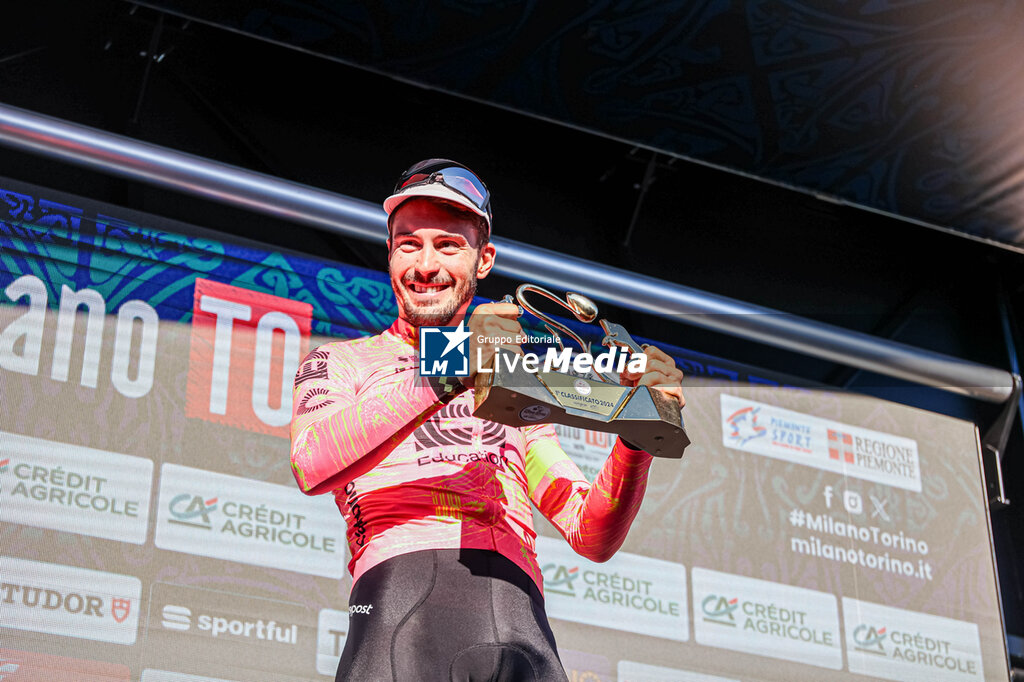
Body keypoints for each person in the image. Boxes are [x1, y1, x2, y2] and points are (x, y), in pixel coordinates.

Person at [290, 159, 685, 681]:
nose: (425, 264)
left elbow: (590, 532)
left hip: (525, 629)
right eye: (409, 244)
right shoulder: (341, 362)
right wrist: (453, 364)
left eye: (449, 245)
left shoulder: (515, 389)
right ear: (389, 256)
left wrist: (638, 436)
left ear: (483, 260)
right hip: (400, 614)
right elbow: (311, 464)